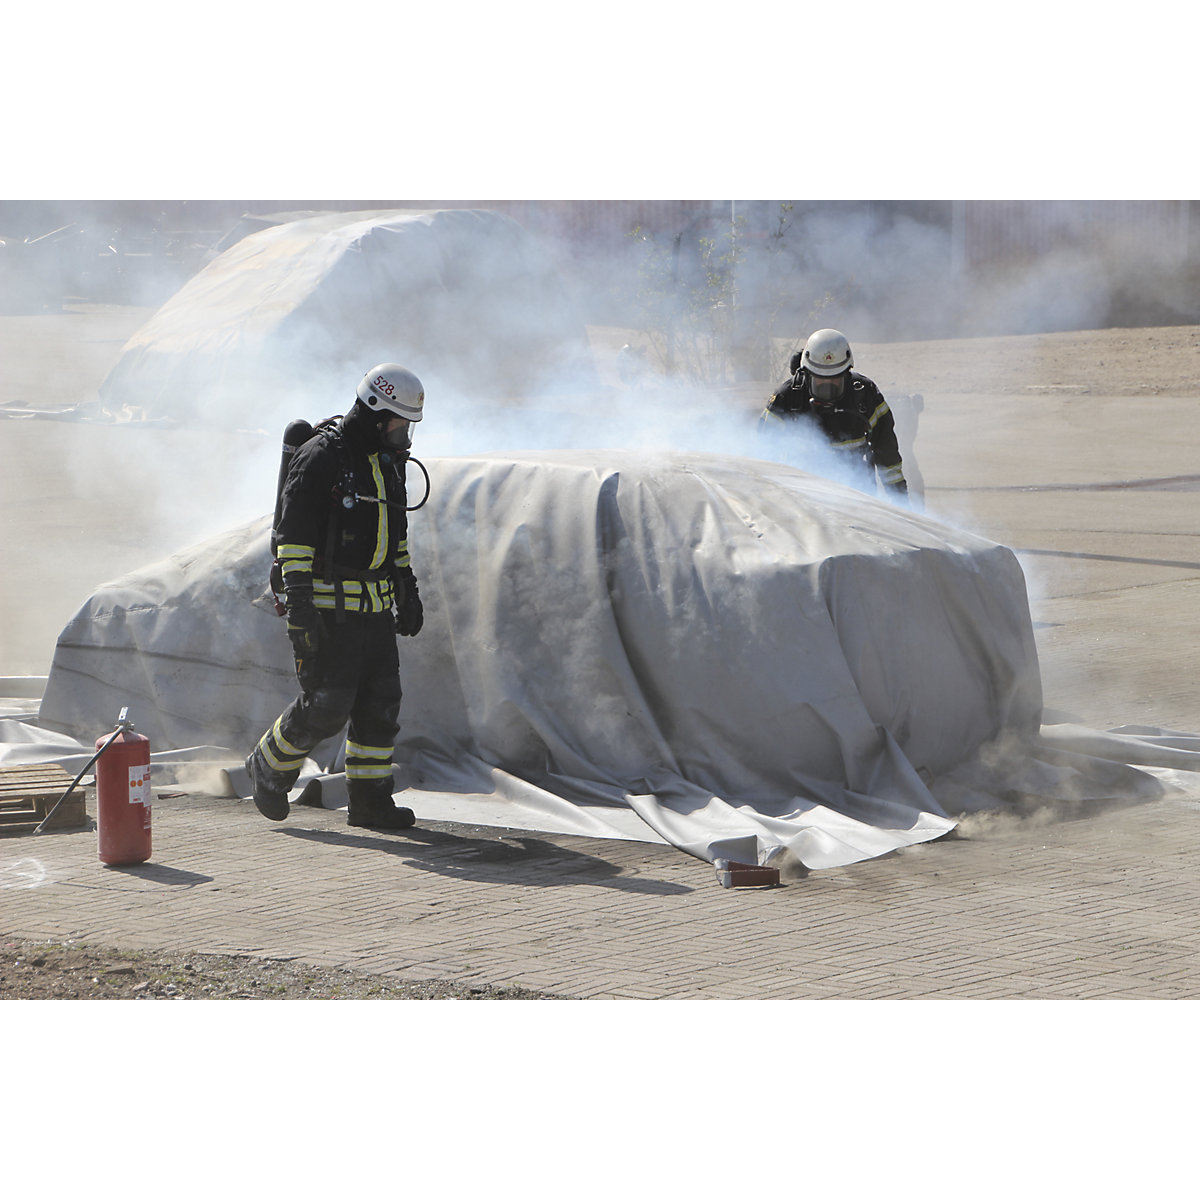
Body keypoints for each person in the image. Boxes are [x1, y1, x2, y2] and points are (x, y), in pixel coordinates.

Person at [245, 363, 427, 830]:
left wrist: (406, 587)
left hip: (375, 610)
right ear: (372, 413)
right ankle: (267, 765)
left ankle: (369, 802)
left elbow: (396, 532)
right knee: (327, 703)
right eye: (397, 424)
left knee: (380, 706)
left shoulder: (389, 464)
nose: (402, 435)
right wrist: (301, 612)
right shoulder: (320, 457)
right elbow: (294, 541)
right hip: (328, 610)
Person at [758, 328, 908, 499]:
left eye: (835, 378)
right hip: (802, 498)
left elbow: (887, 455)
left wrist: (902, 503)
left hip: (858, 497)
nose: (827, 385)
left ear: (847, 372)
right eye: (820, 378)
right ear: (806, 373)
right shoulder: (787, 398)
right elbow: (763, 455)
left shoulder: (865, 395)